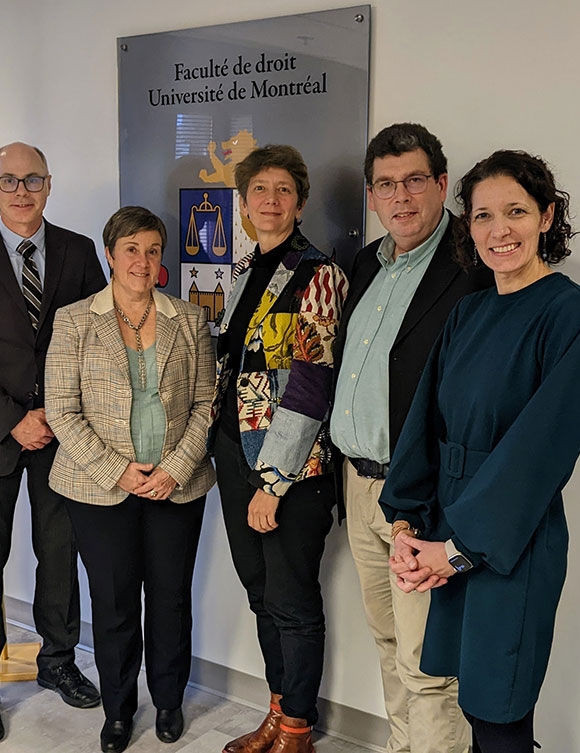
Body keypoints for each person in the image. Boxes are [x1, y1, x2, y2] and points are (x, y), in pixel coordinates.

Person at [380, 150, 580, 753]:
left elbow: (539, 452)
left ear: (546, 217)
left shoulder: (572, 314)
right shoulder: (468, 312)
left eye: (516, 212)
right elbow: (425, 425)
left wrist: (456, 550)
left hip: (512, 539)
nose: (498, 230)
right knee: (469, 699)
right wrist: (406, 520)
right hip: (447, 526)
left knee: (500, 708)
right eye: (483, 216)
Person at [0, 142, 106, 743]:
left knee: (60, 550)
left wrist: (57, 415)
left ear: (49, 185)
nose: (22, 190)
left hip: (63, 434)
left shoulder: (80, 253)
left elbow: (95, 340)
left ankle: (58, 661)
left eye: (33, 179)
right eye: (10, 180)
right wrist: (13, 420)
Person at [330, 123, 492, 753]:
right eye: (387, 185)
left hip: (420, 494)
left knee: (429, 665)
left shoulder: (472, 266)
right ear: (371, 195)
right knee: (391, 644)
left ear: (443, 185)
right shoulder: (368, 261)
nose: (402, 197)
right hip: (360, 484)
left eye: (416, 181)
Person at [45, 206, 215, 753]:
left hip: (176, 486)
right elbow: (61, 410)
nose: (141, 261)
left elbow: (207, 403)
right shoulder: (74, 320)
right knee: (114, 604)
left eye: (151, 250)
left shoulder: (188, 319)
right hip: (99, 490)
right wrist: (117, 469)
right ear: (110, 255)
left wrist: (174, 468)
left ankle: (168, 701)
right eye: (130, 250)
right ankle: (118, 711)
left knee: (169, 599)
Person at [209, 144, 347, 753]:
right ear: (243, 204)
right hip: (236, 457)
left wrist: (275, 481)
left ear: (301, 201)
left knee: (292, 600)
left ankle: (297, 728)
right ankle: (275, 710)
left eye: (283, 190)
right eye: (259, 190)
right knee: (261, 593)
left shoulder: (320, 273)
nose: (271, 200)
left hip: (291, 469)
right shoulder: (243, 273)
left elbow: (313, 382)